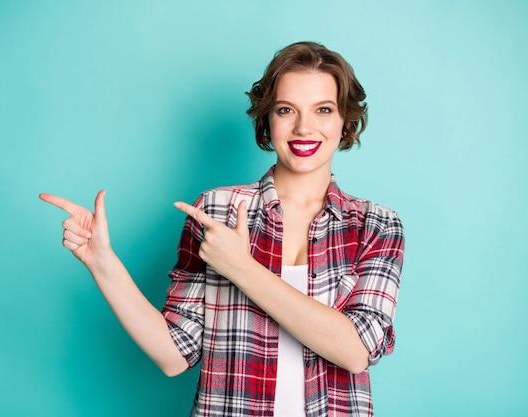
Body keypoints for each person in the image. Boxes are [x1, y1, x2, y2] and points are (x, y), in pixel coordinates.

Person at [40, 41, 405, 417]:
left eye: (323, 110)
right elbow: (174, 354)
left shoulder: (375, 225)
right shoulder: (215, 210)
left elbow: (357, 350)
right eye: (286, 110)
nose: (304, 127)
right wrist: (103, 264)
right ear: (267, 120)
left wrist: (241, 268)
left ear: (345, 120)